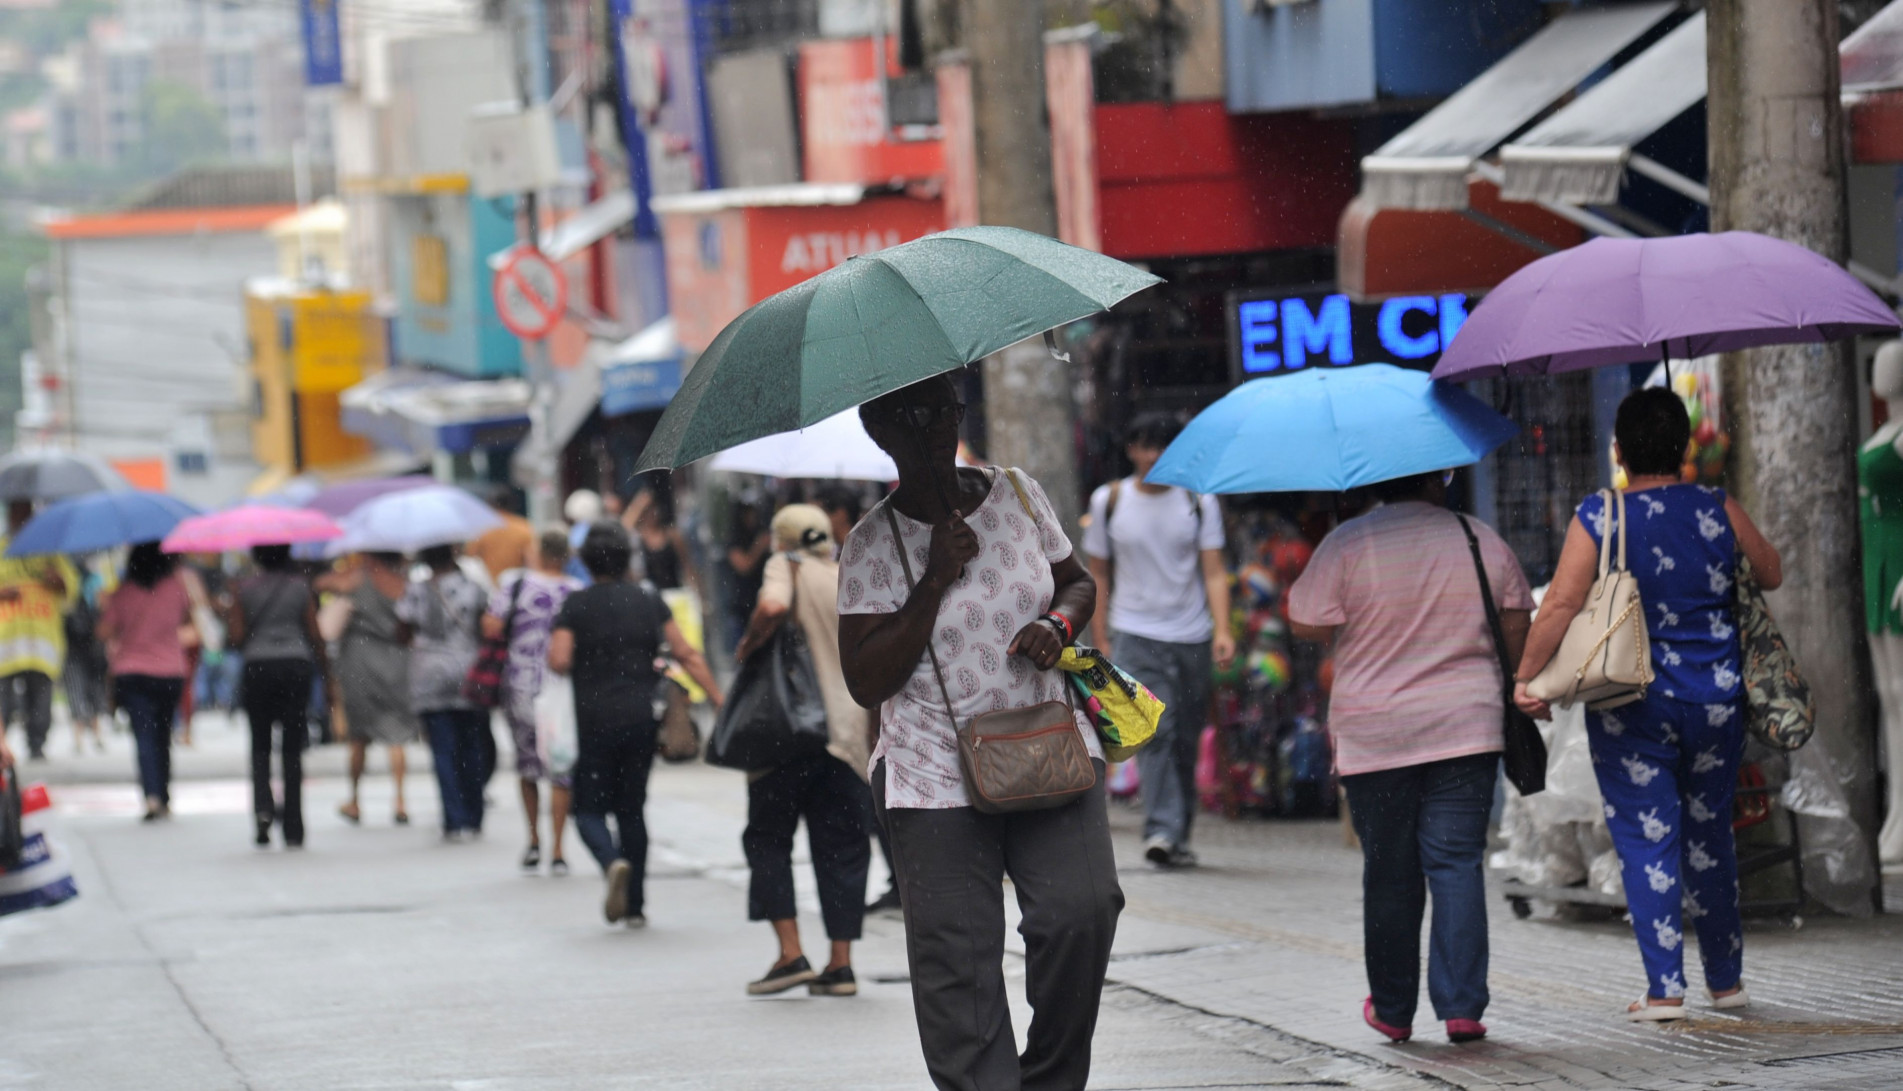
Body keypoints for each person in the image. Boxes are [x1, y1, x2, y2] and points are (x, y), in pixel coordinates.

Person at [838, 375, 1122, 1091]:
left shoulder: (1019, 493)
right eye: (912, 414)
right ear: (881, 431)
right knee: (957, 961)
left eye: (945, 408)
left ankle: (1051, 1078)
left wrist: (1057, 624)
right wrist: (933, 578)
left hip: (1046, 743)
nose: (934, 424)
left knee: (1079, 913)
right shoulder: (869, 545)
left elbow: (1077, 582)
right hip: (931, 770)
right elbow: (866, 679)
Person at [1513, 388, 1782, 1022]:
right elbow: (1769, 572)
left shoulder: (1601, 514)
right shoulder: (1719, 506)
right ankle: (1727, 983)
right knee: (1710, 836)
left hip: (1632, 701)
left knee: (1646, 839)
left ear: (1618, 451)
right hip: (1717, 701)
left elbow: (1558, 606)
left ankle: (1665, 990)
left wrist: (1526, 676)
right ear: (1686, 447)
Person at [1286, 469, 1531, 1045]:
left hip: (1377, 734)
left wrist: (1357, 621)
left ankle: (1394, 1009)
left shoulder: (1347, 541)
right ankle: (1462, 1007)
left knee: (1391, 871)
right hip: (1466, 725)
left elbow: (1305, 620)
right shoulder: (1477, 537)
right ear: (1438, 480)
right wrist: (1516, 677)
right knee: (1455, 864)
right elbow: (1517, 616)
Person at [548, 522, 721, 927]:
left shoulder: (576, 605)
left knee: (588, 809)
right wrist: (718, 698)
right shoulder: (648, 601)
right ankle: (636, 905)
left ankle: (611, 864)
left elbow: (558, 659)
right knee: (632, 809)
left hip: (594, 721)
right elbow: (686, 654)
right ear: (628, 559)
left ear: (587, 563)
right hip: (642, 719)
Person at [732, 504, 871, 997]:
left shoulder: (783, 564)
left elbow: (771, 606)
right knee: (842, 847)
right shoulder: (846, 574)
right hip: (847, 735)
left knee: (768, 839)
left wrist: (748, 644)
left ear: (782, 538)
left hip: (786, 733)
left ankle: (791, 954)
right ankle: (841, 964)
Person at [1083, 412, 1234, 868]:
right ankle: (1163, 830)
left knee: (1185, 736)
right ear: (1130, 450)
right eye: (1144, 447)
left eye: (1162, 447)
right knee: (1156, 731)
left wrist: (1223, 629)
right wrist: (1102, 636)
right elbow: (1098, 574)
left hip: (1191, 635)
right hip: (1134, 632)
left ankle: (1177, 833)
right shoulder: (1110, 501)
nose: (1152, 457)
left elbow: (1212, 570)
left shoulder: (1199, 501)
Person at [485, 530, 582, 873]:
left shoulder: (515, 584)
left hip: (521, 684)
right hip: (561, 689)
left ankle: (533, 839)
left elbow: (492, 627)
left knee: (528, 766)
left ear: (539, 551)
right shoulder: (575, 590)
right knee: (560, 766)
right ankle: (558, 849)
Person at [226, 544, 327, 849]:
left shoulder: (244, 589)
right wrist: (325, 670)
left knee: (260, 745)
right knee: (293, 749)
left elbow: (236, 637)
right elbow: (314, 633)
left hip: (257, 667)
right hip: (295, 666)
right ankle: (294, 826)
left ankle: (262, 811)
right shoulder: (301, 588)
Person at [398, 544, 490, 842]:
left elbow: (401, 631)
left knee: (442, 749)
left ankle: (454, 818)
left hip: (430, 673)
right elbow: (486, 628)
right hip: (468, 670)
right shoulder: (474, 588)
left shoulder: (415, 590)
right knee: (472, 746)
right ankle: (474, 814)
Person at [98, 543, 195, 822]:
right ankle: (163, 794)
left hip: (132, 671)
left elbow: (104, 632)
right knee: (164, 735)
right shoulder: (175, 588)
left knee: (143, 735)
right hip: (169, 670)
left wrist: (107, 605)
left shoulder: (123, 592)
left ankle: (151, 795)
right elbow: (186, 619)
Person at [320, 552, 418, 826]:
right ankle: (400, 800)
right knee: (397, 734)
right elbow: (409, 628)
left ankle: (354, 799)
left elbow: (321, 583)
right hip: (397, 662)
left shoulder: (355, 578)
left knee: (359, 736)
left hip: (360, 661)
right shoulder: (403, 583)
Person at [0, 501, 75, 762]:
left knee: (40, 697)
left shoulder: (50, 551)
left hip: (42, 638)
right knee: (3, 698)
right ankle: (3, 743)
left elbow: (71, 590)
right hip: (6, 638)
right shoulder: (1, 548)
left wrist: (58, 581)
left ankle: (36, 743)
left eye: (24, 513)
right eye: (14, 513)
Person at [62, 559, 111, 755]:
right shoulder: (97, 579)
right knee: (89, 688)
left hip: (81, 643)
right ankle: (88, 735)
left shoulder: (93, 579)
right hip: (84, 642)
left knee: (82, 689)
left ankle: (83, 737)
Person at [621, 488, 696, 592]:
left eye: (654, 508)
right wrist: (638, 505)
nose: (652, 514)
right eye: (647, 510)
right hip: (649, 595)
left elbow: (687, 566)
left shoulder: (672, 535)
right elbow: (620, 531)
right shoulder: (638, 537)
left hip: (674, 594)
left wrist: (696, 592)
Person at [722, 504, 770, 653]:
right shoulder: (734, 541)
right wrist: (759, 546)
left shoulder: (758, 532)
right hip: (744, 600)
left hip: (761, 593)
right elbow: (744, 566)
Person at [467, 486, 534, 585]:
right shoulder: (523, 527)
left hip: (489, 586)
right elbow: (532, 562)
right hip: (515, 588)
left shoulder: (482, 529)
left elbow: (469, 558)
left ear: (490, 505)